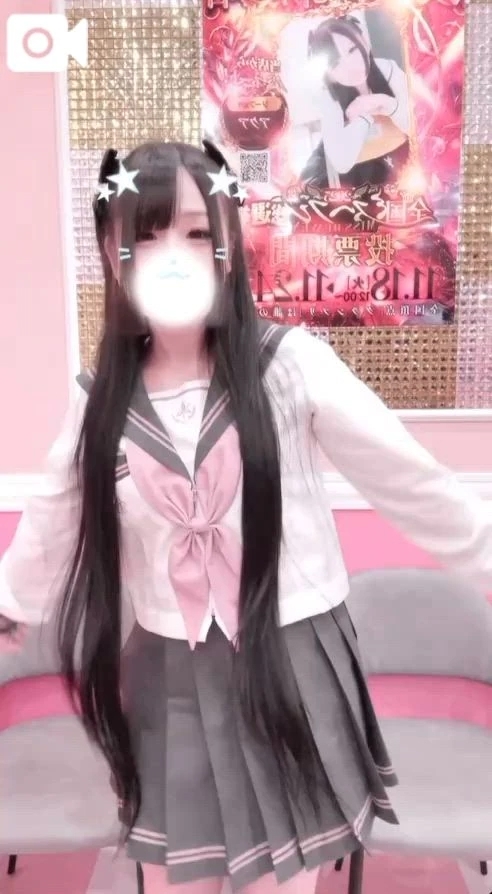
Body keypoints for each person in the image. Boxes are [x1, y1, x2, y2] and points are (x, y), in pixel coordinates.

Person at [1, 139, 492, 894]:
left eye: (199, 232)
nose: (175, 256)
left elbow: (412, 482)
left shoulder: (290, 367)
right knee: (179, 877)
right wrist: (10, 604)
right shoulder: (98, 399)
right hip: (168, 670)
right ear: (112, 253)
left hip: (290, 663)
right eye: (148, 235)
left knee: (280, 880)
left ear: (230, 244)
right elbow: (53, 519)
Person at [300, 15, 410, 189]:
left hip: (403, 168)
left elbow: (420, 128)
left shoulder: (387, 69)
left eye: (352, 50)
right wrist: (362, 118)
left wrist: (386, 103)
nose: (350, 66)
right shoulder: (329, 97)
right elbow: (342, 162)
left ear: (364, 41)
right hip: (360, 182)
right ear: (328, 73)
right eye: (335, 63)